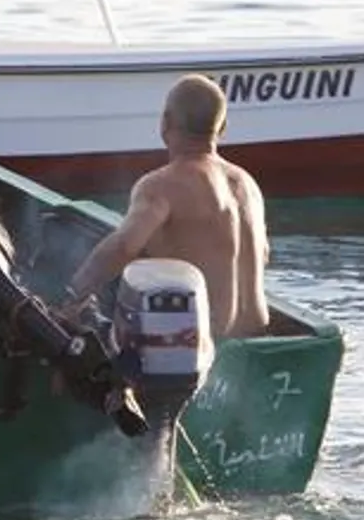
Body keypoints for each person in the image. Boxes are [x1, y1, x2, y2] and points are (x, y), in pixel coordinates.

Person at [63, 74, 270, 339]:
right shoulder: (247, 185)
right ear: (223, 127)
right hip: (258, 335)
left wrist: (72, 296)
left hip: (206, 344)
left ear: (166, 122)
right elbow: (263, 254)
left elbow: (124, 246)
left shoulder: (160, 185)